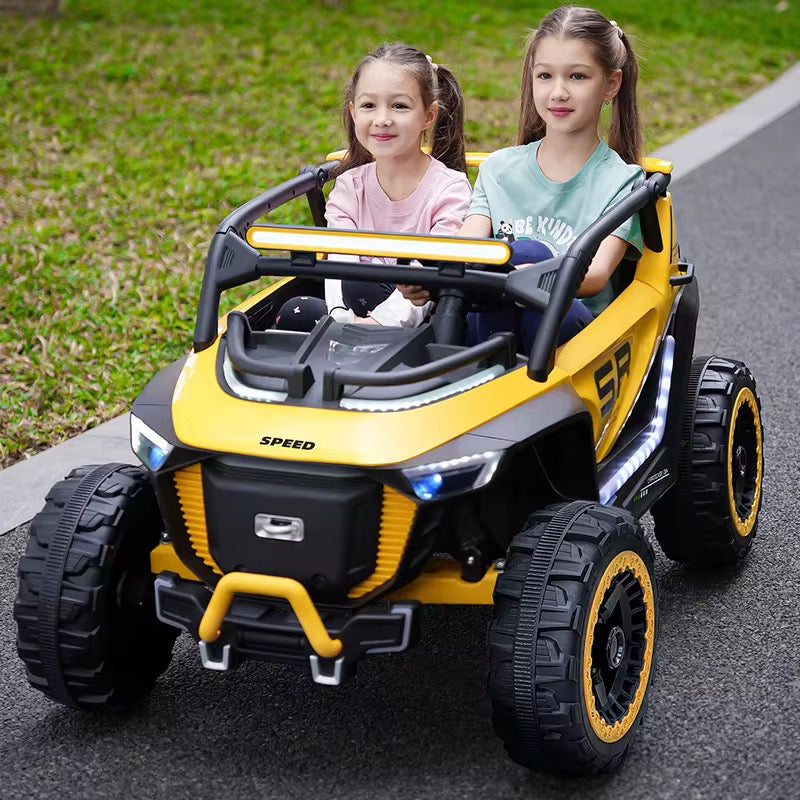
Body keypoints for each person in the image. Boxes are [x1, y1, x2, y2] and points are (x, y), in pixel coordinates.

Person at [400, 5, 645, 353]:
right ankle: (480, 374)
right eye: (545, 76)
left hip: (572, 340)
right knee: (473, 288)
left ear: (611, 84)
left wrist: (526, 275)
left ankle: (495, 372)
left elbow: (597, 275)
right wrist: (425, 275)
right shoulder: (500, 169)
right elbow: (467, 250)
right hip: (493, 322)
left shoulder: (622, 181)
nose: (558, 92)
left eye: (577, 77)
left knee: (526, 257)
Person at [275, 43, 472, 332]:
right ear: (354, 113)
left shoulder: (450, 189)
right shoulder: (349, 187)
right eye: (369, 105)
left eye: (399, 106)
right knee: (298, 310)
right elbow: (339, 268)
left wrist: (377, 323)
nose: (382, 119)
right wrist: (346, 321)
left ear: (428, 116)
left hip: (420, 318)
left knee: (365, 286)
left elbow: (432, 278)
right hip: (351, 312)